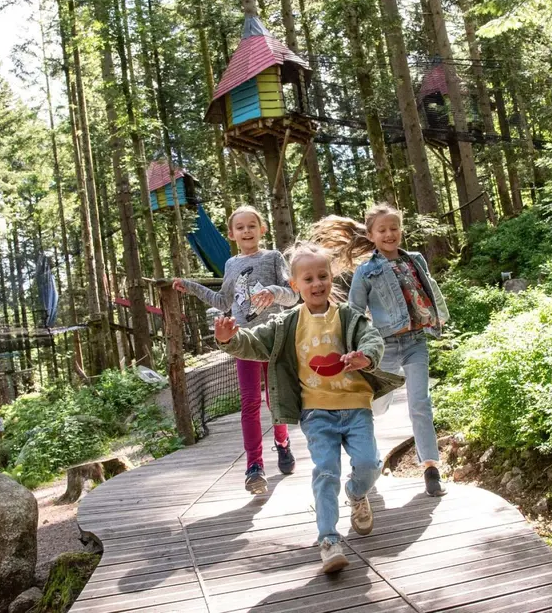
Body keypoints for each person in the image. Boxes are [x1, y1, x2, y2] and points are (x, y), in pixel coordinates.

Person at [215, 242, 404, 573]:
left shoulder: (348, 315)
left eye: (322, 277)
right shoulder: (287, 323)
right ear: (295, 285)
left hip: (356, 406)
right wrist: (229, 340)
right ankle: (328, 540)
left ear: (330, 279)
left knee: (369, 464)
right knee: (325, 471)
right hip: (316, 412)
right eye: (308, 279)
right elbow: (254, 342)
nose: (316, 284)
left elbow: (371, 338)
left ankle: (357, 492)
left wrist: (366, 356)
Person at [175, 205, 300, 494]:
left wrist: (274, 292)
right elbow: (222, 302)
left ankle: (282, 443)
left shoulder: (273, 257)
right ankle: (254, 466)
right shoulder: (231, 265)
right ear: (232, 234)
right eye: (240, 227)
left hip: (273, 338)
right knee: (249, 403)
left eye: (252, 225)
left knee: (275, 400)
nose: (246, 231)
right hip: (244, 341)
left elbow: (292, 295)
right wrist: (191, 286)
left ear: (262, 229)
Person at [338, 204, 450, 497]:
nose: (390, 234)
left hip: (415, 342)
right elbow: (353, 311)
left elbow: (429, 291)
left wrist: (438, 319)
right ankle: (365, 461)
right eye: (382, 230)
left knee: (420, 403)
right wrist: (356, 347)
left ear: (401, 229)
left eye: (394, 228)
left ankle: (430, 468)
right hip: (383, 347)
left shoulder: (415, 260)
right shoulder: (366, 271)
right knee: (376, 406)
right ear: (372, 235)